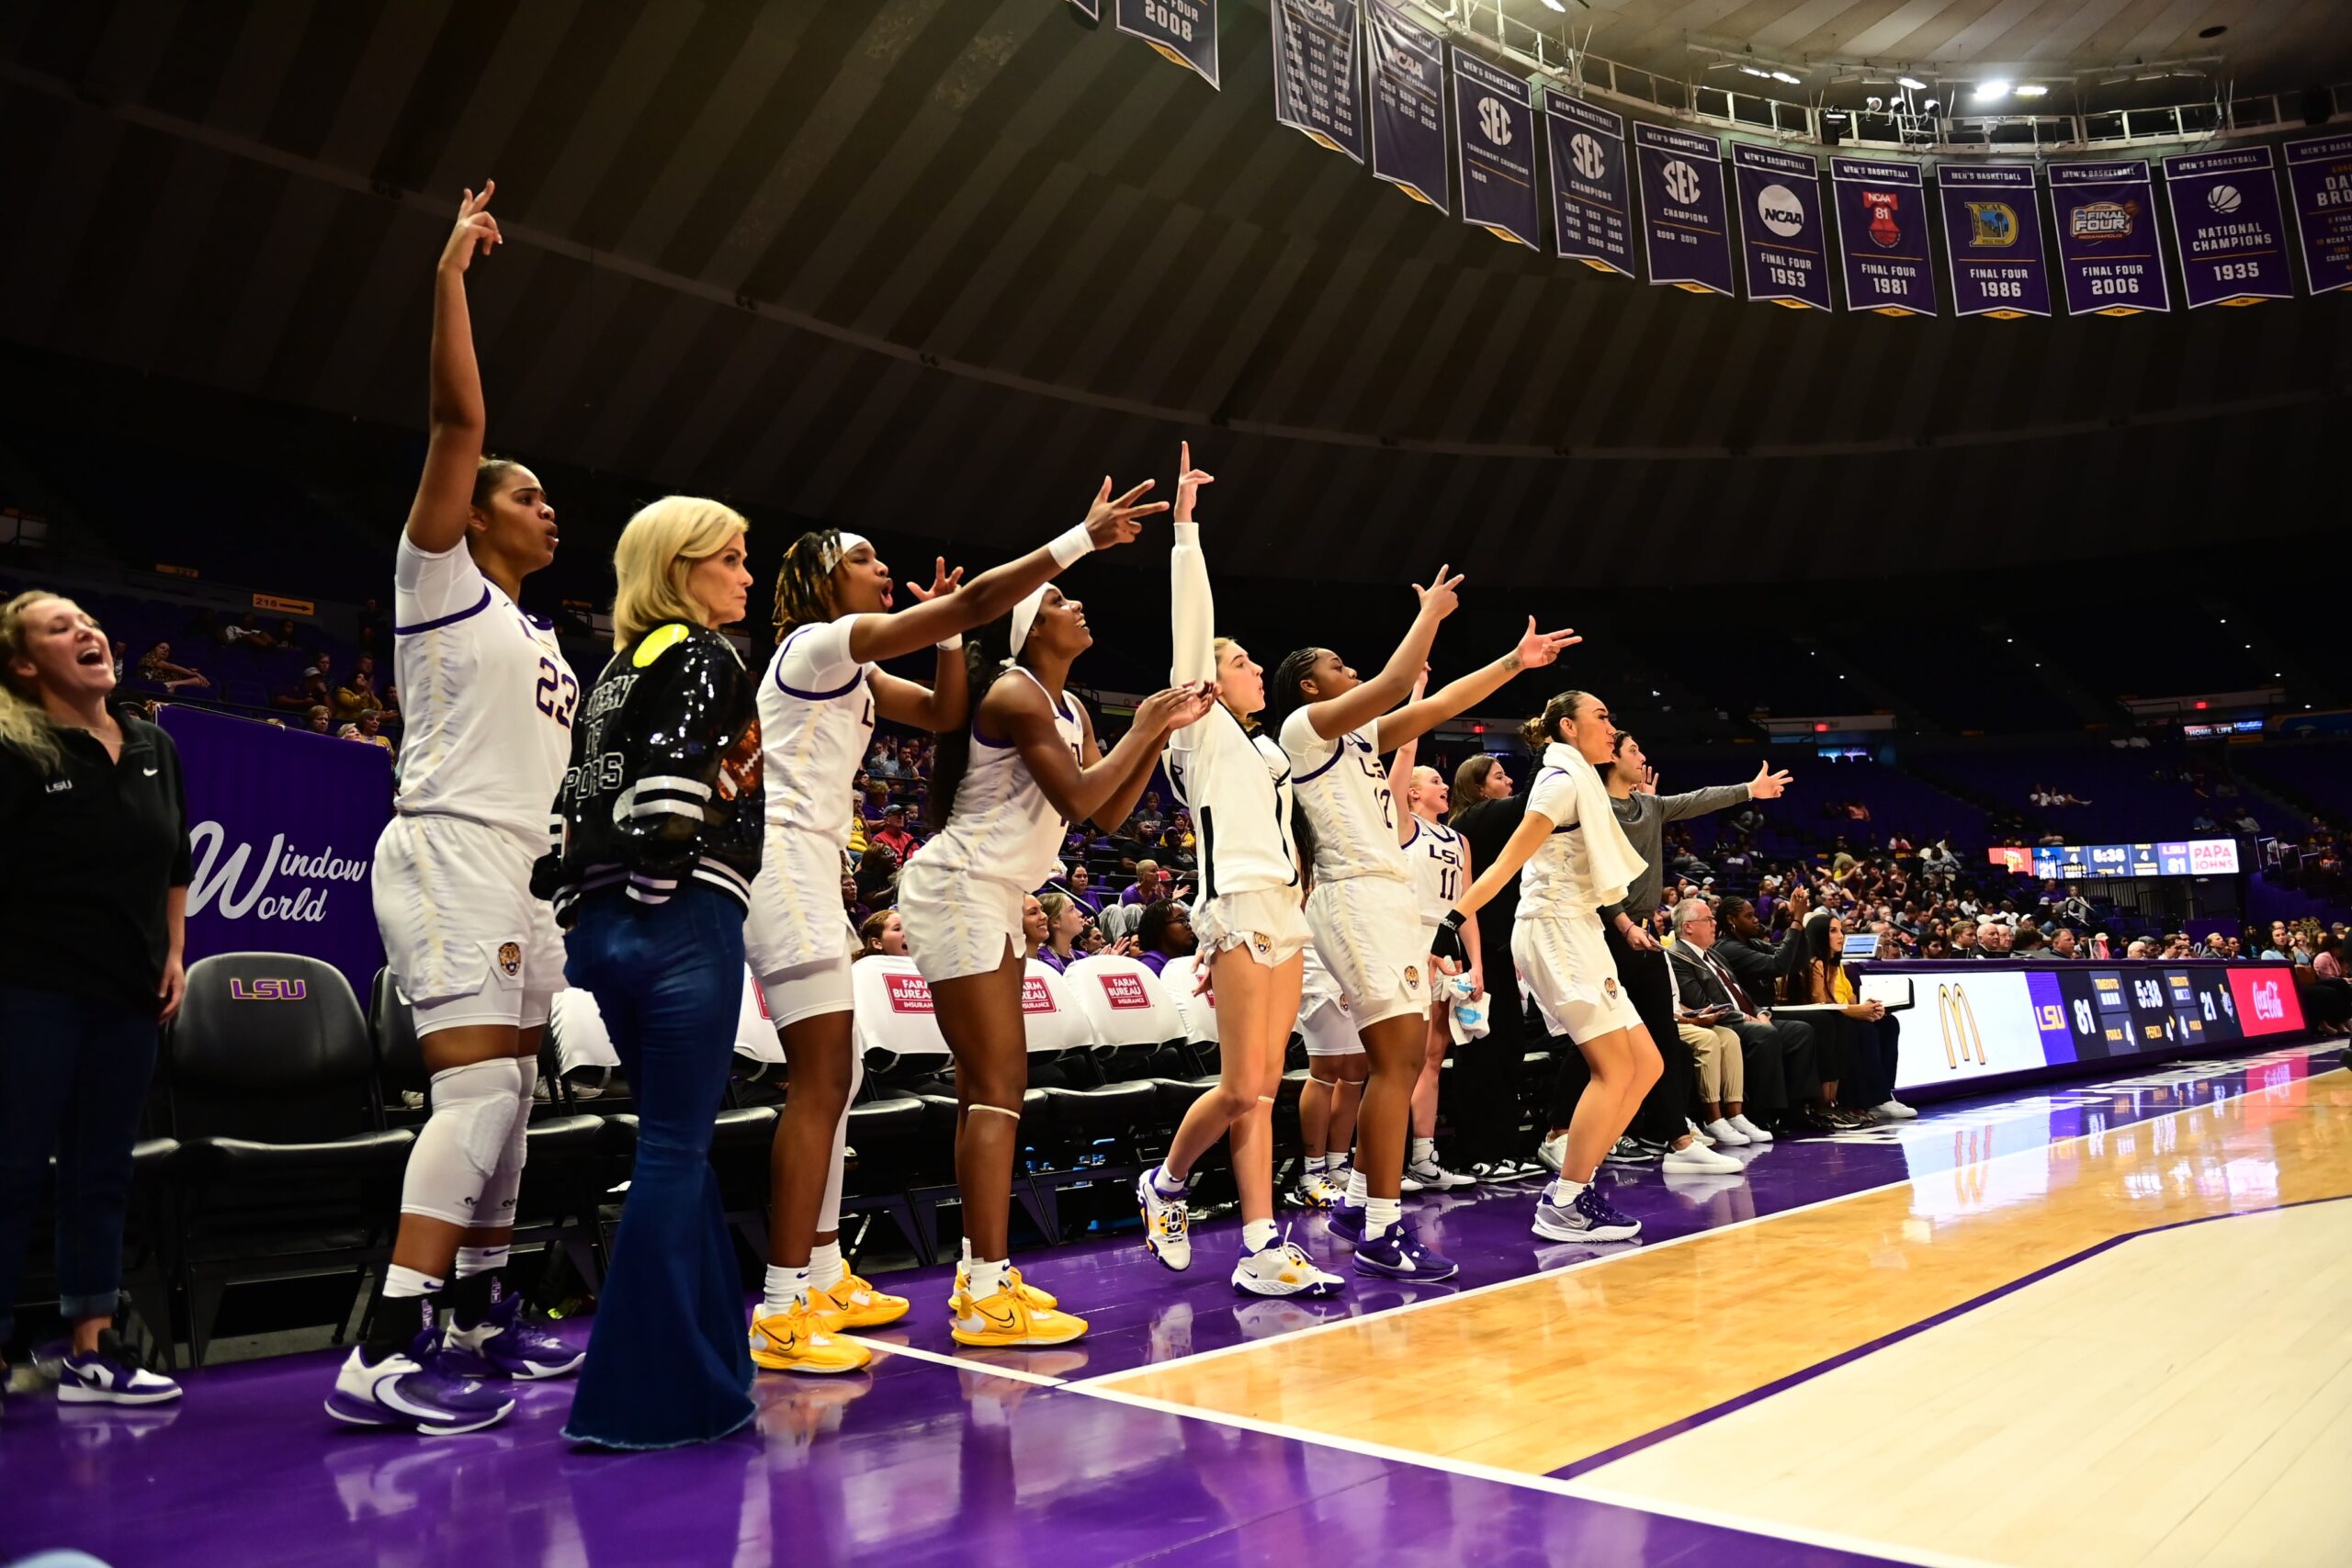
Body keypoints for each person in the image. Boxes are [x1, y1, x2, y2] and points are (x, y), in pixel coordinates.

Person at [744, 491, 1163, 1375]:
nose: (884, 569)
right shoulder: (816, 643)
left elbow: (940, 715)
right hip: (800, 861)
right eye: (864, 558)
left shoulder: (856, 670)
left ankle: (821, 1272)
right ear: (824, 578)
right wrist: (1078, 538)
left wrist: (939, 639)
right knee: (872, 1077)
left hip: (857, 868)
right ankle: (808, 1301)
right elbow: (978, 612)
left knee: (846, 1071)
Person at [332, 185, 579, 1440]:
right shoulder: (438, 583)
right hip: (446, 852)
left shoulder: (550, 647)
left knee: (515, 1106)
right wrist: (452, 275)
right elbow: (458, 416)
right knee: (475, 1100)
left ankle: (479, 1314)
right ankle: (381, 1348)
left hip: (526, 873)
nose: (547, 510)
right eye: (525, 495)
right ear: (475, 513)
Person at [900, 555, 1211, 1347]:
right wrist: (1146, 724)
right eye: (1062, 600)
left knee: (986, 1089)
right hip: (960, 885)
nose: (1078, 607)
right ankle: (980, 1290)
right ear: (1031, 627)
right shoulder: (1012, 691)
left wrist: (1155, 732)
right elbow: (1077, 797)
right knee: (1001, 1086)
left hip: (999, 892)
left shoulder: (1070, 703)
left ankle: (986, 1274)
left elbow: (1104, 817)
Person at [1271, 570, 1575, 1280]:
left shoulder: (1356, 739)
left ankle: (1353, 1202)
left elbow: (1436, 699)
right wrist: (1432, 614)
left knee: (1403, 1061)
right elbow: (1401, 675)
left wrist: (1512, 663)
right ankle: (1381, 1227)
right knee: (1399, 1061)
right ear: (1310, 688)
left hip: (1386, 902)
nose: (1349, 671)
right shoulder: (1302, 728)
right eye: (1336, 666)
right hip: (1352, 897)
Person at [537, 495, 760, 1450]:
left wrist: (595, 899)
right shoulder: (707, 655)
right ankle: (635, 1402)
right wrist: (666, 873)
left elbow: (571, 804)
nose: (746, 576)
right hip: (681, 916)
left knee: (684, 1145)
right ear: (682, 569)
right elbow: (673, 792)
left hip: (603, 930)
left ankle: (716, 1369)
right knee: (673, 1148)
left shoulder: (614, 671)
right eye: (733, 559)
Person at [1136, 446, 1341, 1301]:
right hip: (1233, 908)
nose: (1254, 668)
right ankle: (1168, 1181)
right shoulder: (1198, 724)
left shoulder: (1266, 752)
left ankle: (1260, 1239)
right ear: (1207, 679)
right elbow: (1193, 620)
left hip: (1284, 910)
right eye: (1240, 659)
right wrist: (1186, 526)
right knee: (1244, 1085)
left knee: (1266, 1089)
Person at [0, 592, 189, 1407]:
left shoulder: (154, 744)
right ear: (23, 663)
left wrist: (176, 951)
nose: (85, 631)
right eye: (58, 627)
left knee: (100, 1172)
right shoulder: (14, 749)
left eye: (87, 621)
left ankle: (90, 1346)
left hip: (129, 996)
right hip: (30, 991)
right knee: (8, 1172)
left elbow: (175, 861)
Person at [1442, 689, 1658, 1246]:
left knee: (1647, 1065)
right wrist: (1454, 917)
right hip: (1553, 928)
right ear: (1568, 727)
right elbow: (1509, 859)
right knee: (1613, 1070)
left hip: (1579, 925)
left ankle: (1574, 1179)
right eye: (1603, 716)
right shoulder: (1560, 784)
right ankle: (1566, 1198)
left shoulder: (1584, 780)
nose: (1612, 727)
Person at [1534, 733, 1786, 1179]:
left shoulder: (1648, 807)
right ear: (1611, 759)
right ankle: (1558, 1132)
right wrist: (1623, 924)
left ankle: (1680, 1141)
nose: (1643, 757)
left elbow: (1698, 799)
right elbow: (1588, 876)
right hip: (1601, 931)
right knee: (1593, 1040)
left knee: (1664, 1040)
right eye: (1633, 750)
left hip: (1644, 933)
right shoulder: (1594, 808)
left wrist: (1750, 789)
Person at [1390, 747, 1477, 1192]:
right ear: (1411, 793)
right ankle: (1384, 1163)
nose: (1445, 787)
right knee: (1400, 1059)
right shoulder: (1403, 827)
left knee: (1432, 1058)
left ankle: (1423, 1158)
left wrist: (1475, 962)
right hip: (1408, 940)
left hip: (1447, 944)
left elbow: (1470, 906)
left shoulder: (1459, 840)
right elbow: (1401, 761)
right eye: (1435, 782)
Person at [1780, 912, 1910, 1121]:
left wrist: (1870, 1008)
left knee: (1888, 1023)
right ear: (1819, 935)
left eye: (1840, 930)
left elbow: (1849, 999)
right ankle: (1869, 1099)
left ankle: (1885, 1093)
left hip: (1841, 1014)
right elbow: (1824, 1004)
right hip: (1823, 1019)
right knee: (1862, 1029)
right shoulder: (1815, 965)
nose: (1841, 936)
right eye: (1833, 931)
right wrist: (1860, 1011)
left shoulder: (1836, 965)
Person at [1292, 936, 1368, 1209]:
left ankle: (1337, 1165)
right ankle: (1311, 1172)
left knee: (1355, 1070)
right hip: (1319, 951)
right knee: (1325, 1069)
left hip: (1358, 953)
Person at [1133, 898, 1196, 976]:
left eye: (1187, 920)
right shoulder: (1150, 966)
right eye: (1181, 920)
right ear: (1158, 928)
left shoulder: (1182, 962)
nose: (1189, 926)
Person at [1035, 892, 1086, 973]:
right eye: (1071, 909)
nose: (1080, 913)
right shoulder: (1043, 960)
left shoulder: (1083, 957)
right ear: (1055, 922)